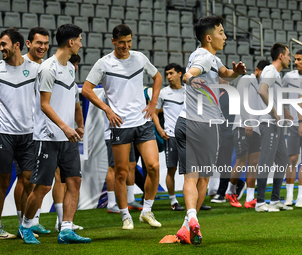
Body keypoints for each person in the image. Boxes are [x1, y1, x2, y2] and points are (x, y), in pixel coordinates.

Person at [82, 24, 163, 230]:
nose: (126, 46)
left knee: (153, 166)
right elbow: (86, 89)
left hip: (143, 122)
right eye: (121, 43)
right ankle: (125, 215)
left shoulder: (139, 58)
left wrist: (153, 103)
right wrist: (107, 110)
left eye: (128, 42)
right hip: (120, 125)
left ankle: (147, 210)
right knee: (121, 172)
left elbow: (157, 77)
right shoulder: (103, 64)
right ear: (113, 42)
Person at [175, 16, 246, 245]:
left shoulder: (208, 57)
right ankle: (192, 220)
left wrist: (236, 72)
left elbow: (225, 73)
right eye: (221, 32)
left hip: (184, 121)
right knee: (203, 178)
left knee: (190, 176)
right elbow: (190, 75)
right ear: (209, 37)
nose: (224, 36)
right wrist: (190, 80)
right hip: (204, 125)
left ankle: (189, 223)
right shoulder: (205, 57)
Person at [19, 24, 91, 244]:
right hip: (48, 137)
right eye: (79, 39)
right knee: (43, 186)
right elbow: (44, 105)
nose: (80, 43)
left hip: (67, 138)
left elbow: (72, 100)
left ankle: (66, 229)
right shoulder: (47, 68)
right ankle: (25, 226)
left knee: (74, 182)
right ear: (70, 42)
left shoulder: (70, 68)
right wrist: (65, 127)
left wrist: (78, 124)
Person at [0, 28, 40, 240]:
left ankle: (24, 226)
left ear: (17, 45)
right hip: (2, 133)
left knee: (29, 180)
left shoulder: (35, 69)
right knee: (3, 182)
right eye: (0, 44)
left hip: (28, 135)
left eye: (4, 44)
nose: (1, 47)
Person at [13, 26, 50, 235]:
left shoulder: (46, 66)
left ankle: (32, 221)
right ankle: (22, 223)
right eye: (39, 43)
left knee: (38, 180)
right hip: (22, 130)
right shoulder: (19, 65)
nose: (43, 47)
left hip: (42, 130)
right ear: (28, 44)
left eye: (46, 43)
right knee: (25, 178)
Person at [225, 60, 270, 209]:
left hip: (256, 128)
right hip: (242, 125)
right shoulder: (247, 79)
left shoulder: (261, 86)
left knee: (254, 163)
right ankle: (230, 191)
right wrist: (248, 122)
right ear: (257, 70)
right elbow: (241, 101)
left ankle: (250, 198)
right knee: (241, 161)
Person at [255, 43, 293, 212]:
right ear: (280, 56)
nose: (289, 58)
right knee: (266, 161)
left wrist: (284, 112)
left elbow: (272, 95)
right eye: (288, 55)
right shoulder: (270, 71)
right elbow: (262, 91)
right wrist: (275, 113)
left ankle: (275, 199)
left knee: (283, 160)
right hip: (269, 123)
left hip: (276, 124)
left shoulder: (275, 74)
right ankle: (260, 202)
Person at [53, 54, 85, 231]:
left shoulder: (72, 84)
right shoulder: (53, 79)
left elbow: (76, 106)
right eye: (74, 64)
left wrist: (80, 125)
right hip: (52, 135)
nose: (76, 67)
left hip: (70, 134)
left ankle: (64, 222)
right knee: (53, 180)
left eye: (77, 64)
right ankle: (31, 222)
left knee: (69, 179)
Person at [283, 49, 302, 208]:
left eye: (300, 59)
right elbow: (279, 93)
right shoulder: (289, 76)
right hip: (294, 125)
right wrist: (284, 110)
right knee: (292, 160)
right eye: (295, 59)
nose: (296, 62)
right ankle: (289, 197)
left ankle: (301, 197)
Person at [103, 96, 142, 214]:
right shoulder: (108, 93)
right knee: (114, 167)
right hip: (113, 133)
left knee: (132, 164)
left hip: (127, 131)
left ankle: (130, 200)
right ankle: (111, 203)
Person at [153, 63, 185, 211]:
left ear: (180, 74)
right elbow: (153, 112)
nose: (168, 77)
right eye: (167, 74)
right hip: (171, 136)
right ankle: (173, 202)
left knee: (191, 171)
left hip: (187, 136)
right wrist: (159, 129)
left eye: (171, 73)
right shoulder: (163, 93)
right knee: (171, 169)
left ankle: (194, 199)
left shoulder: (188, 92)